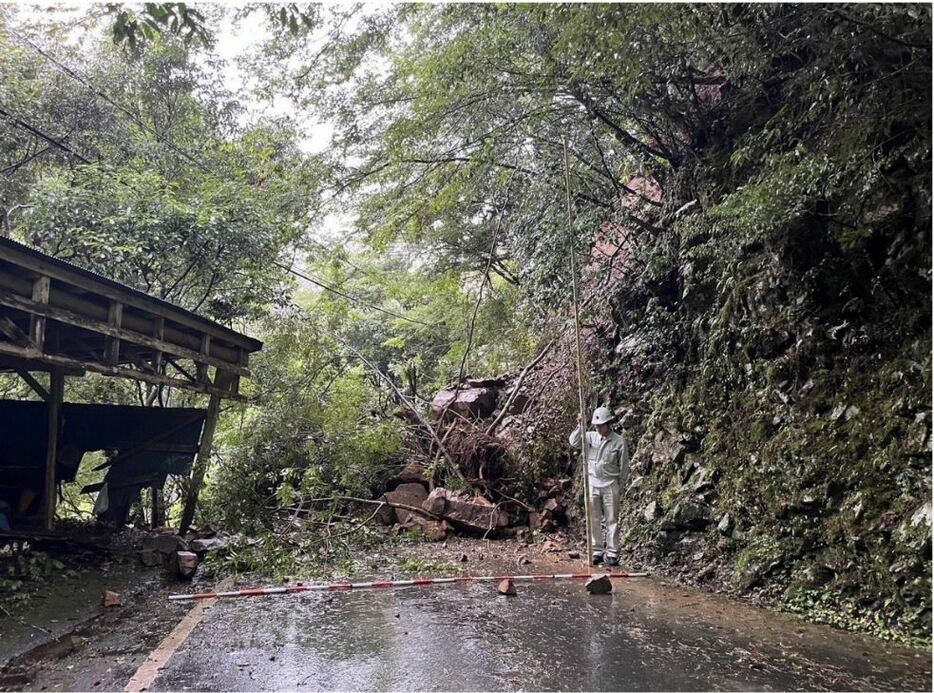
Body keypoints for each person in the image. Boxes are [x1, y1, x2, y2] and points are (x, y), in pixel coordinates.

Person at [569, 406, 629, 567]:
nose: (598, 428)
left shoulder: (619, 442)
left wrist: (621, 486)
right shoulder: (590, 437)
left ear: (609, 424)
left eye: (601, 425)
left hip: (611, 483)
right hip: (593, 483)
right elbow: (574, 442)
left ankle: (612, 553)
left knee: (611, 519)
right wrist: (580, 426)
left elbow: (624, 467)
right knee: (594, 518)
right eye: (596, 425)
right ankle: (596, 551)